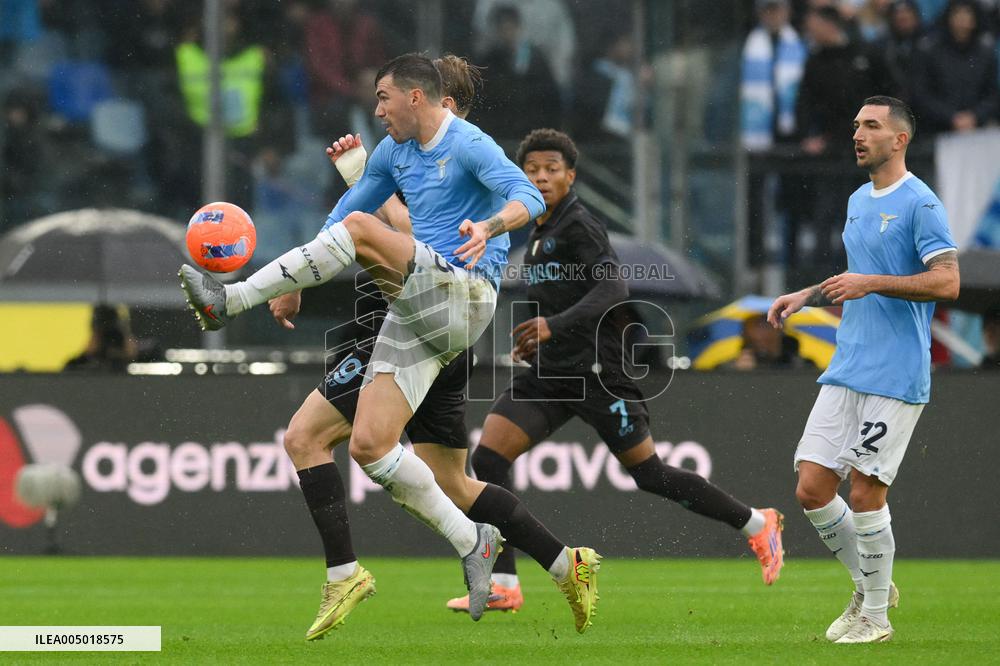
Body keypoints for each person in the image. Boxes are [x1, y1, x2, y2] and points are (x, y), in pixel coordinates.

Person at [178, 52, 558, 629]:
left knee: (361, 234)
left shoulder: (469, 143)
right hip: (413, 307)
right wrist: (297, 280)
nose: (375, 109)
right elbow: (349, 210)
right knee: (369, 446)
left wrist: (487, 226)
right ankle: (472, 543)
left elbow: (528, 198)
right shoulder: (394, 153)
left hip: (466, 295)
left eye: (383, 97)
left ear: (415, 97)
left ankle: (227, 301)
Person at [268, 55, 601, 638]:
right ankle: (562, 561)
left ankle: (347, 572)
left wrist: (358, 177)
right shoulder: (423, 154)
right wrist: (365, 177)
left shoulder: (451, 154)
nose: (385, 112)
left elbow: (411, 238)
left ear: (436, 102)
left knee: (309, 437)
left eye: (392, 100)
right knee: (455, 483)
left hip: (405, 320)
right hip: (449, 334)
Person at [462, 128, 786, 614]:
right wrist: (539, 338)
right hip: (550, 376)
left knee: (649, 474)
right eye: (532, 170)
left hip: (597, 375)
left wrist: (554, 324)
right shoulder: (536, 232)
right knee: (487, 460)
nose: (542, 177)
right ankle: (505, 583)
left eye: (552, 169)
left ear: (571, 176)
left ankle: (758, 524)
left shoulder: (579, 225)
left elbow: (613, 290)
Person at [768, 96, 960, 643]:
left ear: (899, 139)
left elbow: (947, 282)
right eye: (856, 125)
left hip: (896, 373)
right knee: (810, 487)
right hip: (849, 363)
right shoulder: (857, 199)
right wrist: (807, 293)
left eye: (871, 126)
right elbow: (860, 273)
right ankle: (872, 582)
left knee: (866, 495)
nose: (859, 134)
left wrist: (871, 283)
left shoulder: (921, 203)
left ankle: (875, 615)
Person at [911, 0, 999, 135]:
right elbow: (921, 93)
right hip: (937, 129)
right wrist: (950, 116)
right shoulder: (929, 50)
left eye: (967, 15)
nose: (962, 20)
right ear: (949, 18)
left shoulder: (985, 52)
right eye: (958, 14)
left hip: (978, 128)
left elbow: (992, 94)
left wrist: (975, 116)